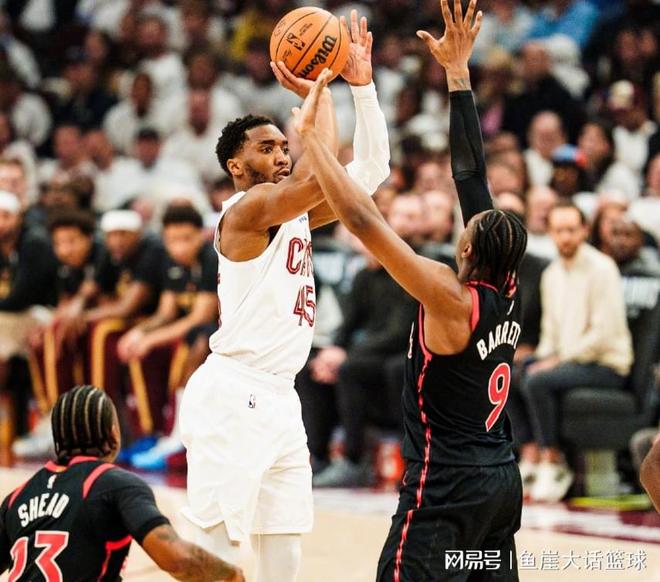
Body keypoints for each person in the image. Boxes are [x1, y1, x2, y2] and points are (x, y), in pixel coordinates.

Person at [292, 1, 526, 579]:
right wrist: (457, 74)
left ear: (466, 249)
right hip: (500, 483)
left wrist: (313, 143)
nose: (464, 218)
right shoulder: (508, 285)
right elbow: (471, 175)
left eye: (465, 227)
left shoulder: (450, 294)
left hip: (446, 488)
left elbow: (363, 220)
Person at [179, 10, 390, 582]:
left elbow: (369, 170)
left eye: (283, 145)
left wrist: (360, 87)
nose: (280, 153)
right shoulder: (247, 210)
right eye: (266, 147)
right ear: (235, 166)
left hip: (279, 395)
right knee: (215, 545)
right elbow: (319, 178)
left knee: (284, 548)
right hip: (234, 392)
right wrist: (318, 94)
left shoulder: (291, 211)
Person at [0, 385, 244, 581]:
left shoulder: (16, 498)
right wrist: (230, 573)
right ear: (113, 432)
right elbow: (178, 559)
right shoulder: (115, 484)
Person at [520, 201, 633, 502]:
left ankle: (553, 460)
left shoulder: (602, 268)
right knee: (517, 371)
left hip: (606, 364)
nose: (565, 237)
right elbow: (550, 332)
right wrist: (540, 357)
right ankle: (530, 453)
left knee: (537, 380)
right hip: (568, 361)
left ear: (584, 230)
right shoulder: (551, 274)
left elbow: (602, 334)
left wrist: (556, 360)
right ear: (550, 233)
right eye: (559, 230)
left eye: (571, 230)